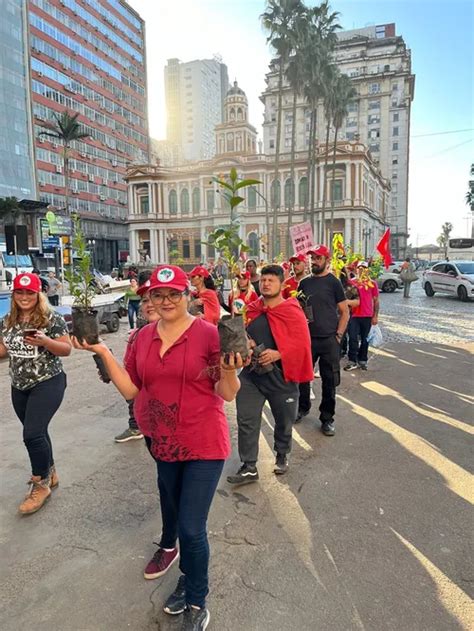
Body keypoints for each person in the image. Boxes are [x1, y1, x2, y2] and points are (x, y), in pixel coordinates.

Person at [72, 265, 243, 630]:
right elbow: (132, 390)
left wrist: (230, 370)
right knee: (180, 522)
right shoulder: (143, 337)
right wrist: (102, 350)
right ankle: (187, 575)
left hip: (204, 444)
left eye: (173, 294)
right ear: (149, 299)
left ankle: (197, 600)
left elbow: (227, 394)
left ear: (187, 295)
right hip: (164, 445)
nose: (165, 301)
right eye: (158, 295)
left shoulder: (209, 335)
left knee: (192, 528)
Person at [227, 265, 313, 485]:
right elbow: (243, 333)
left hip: (281, 377)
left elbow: (303, 344)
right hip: (252, 375)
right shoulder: (253, 308)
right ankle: (248, 466)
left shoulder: (292, 310)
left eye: (271, 280)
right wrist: (245, 342)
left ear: (282, 284)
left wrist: (279, 353)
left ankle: (282, 453)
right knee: (246, 419)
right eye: (264, 280)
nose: (266, 283)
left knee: (284, 421)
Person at [0, 273, 71, 514]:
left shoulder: (52, 319)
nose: (24, 297)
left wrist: (45, 342)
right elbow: (3, 348)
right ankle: (50, 472)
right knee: (38, 432)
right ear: (14, 294)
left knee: (31, 434)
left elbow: (66, 349)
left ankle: (40, 484)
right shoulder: (8, 320)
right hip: (19, 385)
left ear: (38, 294)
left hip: (48, 381)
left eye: (30, 293)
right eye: (20, 292)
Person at [297, 246, 349, 435]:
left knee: (329, 381)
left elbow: (345, 311)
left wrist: (338, 336)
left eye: (318, 258)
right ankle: (302, 408)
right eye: (312, 258)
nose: (314, 261)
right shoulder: (303, 283)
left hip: (329, 340)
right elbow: (298, 310)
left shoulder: (334, 282)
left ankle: (327, 418)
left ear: (326, 260)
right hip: (307, 340)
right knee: (303, 377)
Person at [114, 273, 157, 443]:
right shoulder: (139, 336)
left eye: (156, 297)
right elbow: (130, 387)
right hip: (152, 427)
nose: (150, 304)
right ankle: (135, 426)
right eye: (145, 300)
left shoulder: (195, 334)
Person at [344, 261, 380, 371]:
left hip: (367, 315)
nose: (361, 270)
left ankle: (362, 360)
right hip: (354, 315)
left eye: (364, 268)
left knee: (365, 340)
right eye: (359, 267)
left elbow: (376, 301)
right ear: (356, 269)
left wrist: (375, 316)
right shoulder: (352, 282)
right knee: (353, 338)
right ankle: (352, 360)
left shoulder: (372, 283)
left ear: (367, 270)